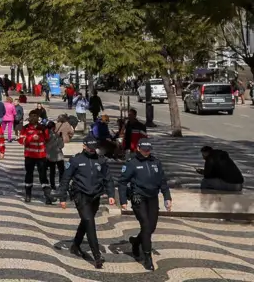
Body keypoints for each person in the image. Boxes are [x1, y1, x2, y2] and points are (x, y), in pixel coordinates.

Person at [59, 135, 114, 269]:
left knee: (86, 221)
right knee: (89, 221)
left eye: (94, 148)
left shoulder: (101, 161)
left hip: (95, 196)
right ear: (84, 146)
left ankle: (75, 245)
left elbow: (108, 178)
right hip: (80, 195)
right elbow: (66, 178)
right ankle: (97, 255)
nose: (92, 150)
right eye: (90, 148)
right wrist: (62, 197)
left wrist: (111, 194)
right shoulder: (76, 160)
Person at [117, 139, 172, 270]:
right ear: (138, 149)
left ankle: (136, 242)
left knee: (151, 228)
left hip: (153, 198)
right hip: (138, 198)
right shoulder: (132, 163)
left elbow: (163, 181)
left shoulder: (156, 162)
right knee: (146, 226)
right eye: (144, 150)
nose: (146, 152)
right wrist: (123, 200)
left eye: (148, 150)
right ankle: (147, 258)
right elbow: (122, 182)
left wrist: (167, 197)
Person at [18, 111, 52, 203]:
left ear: (38, 117)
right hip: (29, 156)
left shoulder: (43, 128)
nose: (33, 118)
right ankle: (28, 194)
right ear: (29, 117)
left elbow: (47, 139)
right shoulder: (25, 128)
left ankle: (47, 195)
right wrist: (32, 137)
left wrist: (45, 131)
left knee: (43, 176)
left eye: (35, 116)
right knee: (29, 175)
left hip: (41, 156)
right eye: (31, 116)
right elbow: (21, 141)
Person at [46, 114, 73, 192]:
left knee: (52, 171)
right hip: (58, 156)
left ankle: (52, 185)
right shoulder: (57, 136)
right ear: (53, 127)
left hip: (50, 156)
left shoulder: (46, 136)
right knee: (61, 170)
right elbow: (61, 145)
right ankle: (61, 183)